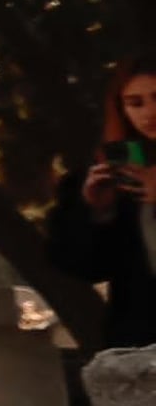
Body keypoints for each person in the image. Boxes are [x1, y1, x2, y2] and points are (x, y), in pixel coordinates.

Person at [41, 61, 156, 353]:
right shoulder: (117, 176)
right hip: (143, 342)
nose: (149, 112)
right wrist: (96, 212)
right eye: (135, 103)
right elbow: (82, 267)